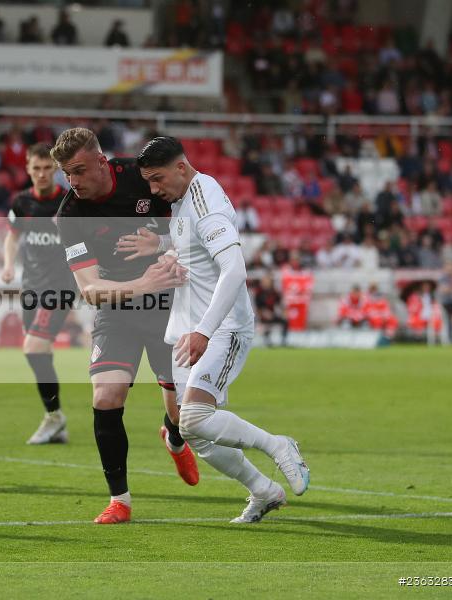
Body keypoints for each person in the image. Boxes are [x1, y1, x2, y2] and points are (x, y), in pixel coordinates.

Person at [120, 136, 309, 525]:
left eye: (158, 179)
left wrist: (205, 331)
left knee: (192, 418)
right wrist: (162, 243)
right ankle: (262, 490)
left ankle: (279, 446)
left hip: (221, 328)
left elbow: (234, 270)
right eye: (148, 182)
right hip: (188, 327)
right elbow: (193, 245)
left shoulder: (205, 201)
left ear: (181, 168)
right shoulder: (183, 200)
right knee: (196, 431)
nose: (154, 190)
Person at [52, 128, 199, 524]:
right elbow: (89, 288)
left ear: (102, 160)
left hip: (169, 307)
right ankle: (120, 500)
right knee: (106, 397)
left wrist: (164, 248)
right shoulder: (70, 215)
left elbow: (194, 226)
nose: (74, 181)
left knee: (183, 414)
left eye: (80, 170)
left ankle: (174, 437)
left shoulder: (143, 175)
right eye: (67, 173)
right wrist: (141, 284)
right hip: (117, 310)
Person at [1, 143, 75, 444]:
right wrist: (7, 265)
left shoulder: (69, 203)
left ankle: (54, 417)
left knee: (33, 349)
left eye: (47, 168)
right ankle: (56, 420)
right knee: (39, 353)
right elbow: (11, 237)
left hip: (59, 287)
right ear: (28, 169)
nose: (42, 174)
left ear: (55, 169)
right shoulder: (21, 203)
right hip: (30, 286)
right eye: (36, 169)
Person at [254, 273, 288, 346]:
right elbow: (257, 308)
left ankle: (284, 340)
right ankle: (267, 341)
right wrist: (263, 313)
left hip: (272, 314)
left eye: (268, 281)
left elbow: (280, 303)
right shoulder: (259, 293)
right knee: (267, 320)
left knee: (285, 321)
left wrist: (284, 312)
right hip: (262, 316)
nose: (267, 283)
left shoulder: (274, 292)